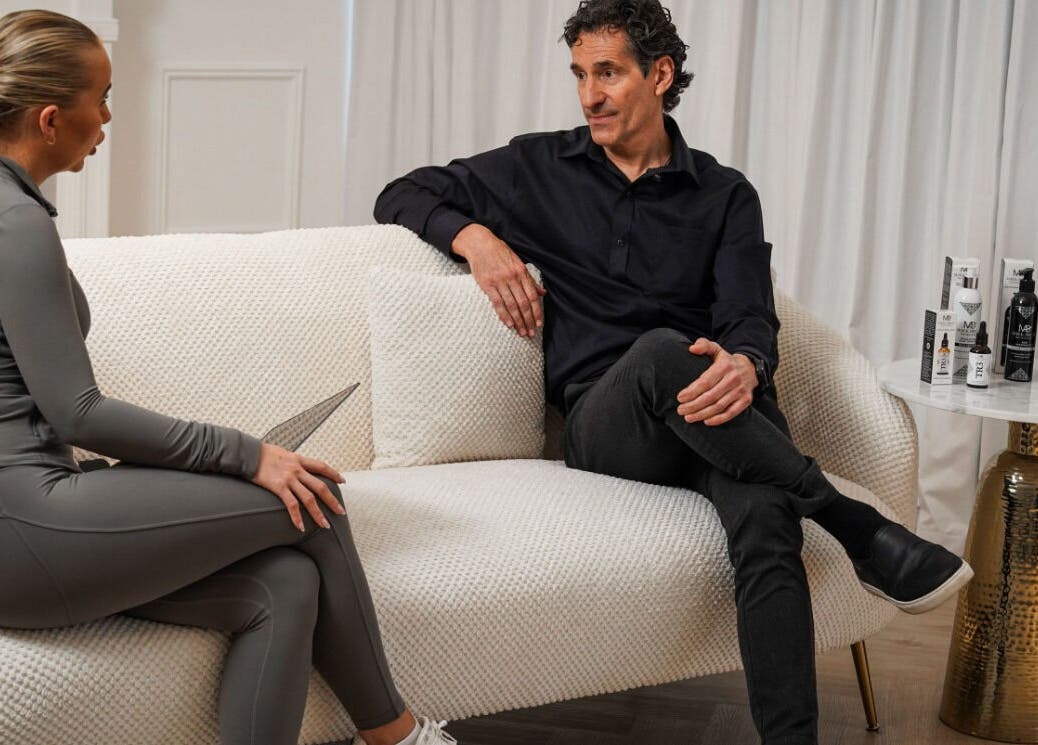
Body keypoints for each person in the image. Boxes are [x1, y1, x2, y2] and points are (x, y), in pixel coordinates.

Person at [373, 1, 972, 743]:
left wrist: (746, 364)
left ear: (660, 75)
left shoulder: (725, 195)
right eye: (579, 75)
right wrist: (475, 239)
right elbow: (400, 194)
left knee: (765, 516)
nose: (589, 95)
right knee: (663, 350)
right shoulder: (536, 169)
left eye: (608, 73)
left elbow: (750, 315)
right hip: (608, 423)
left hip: (716, 413)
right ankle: (858, 527)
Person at [0, 11, 456, 745]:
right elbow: (77, 411)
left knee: (282, 584)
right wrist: (247, 455)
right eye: (102, 98)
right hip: (22, 528)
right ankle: (399, 737)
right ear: (51, 119)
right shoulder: (15, 223)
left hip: (31, 515)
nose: (108, 117)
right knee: (315, 500)